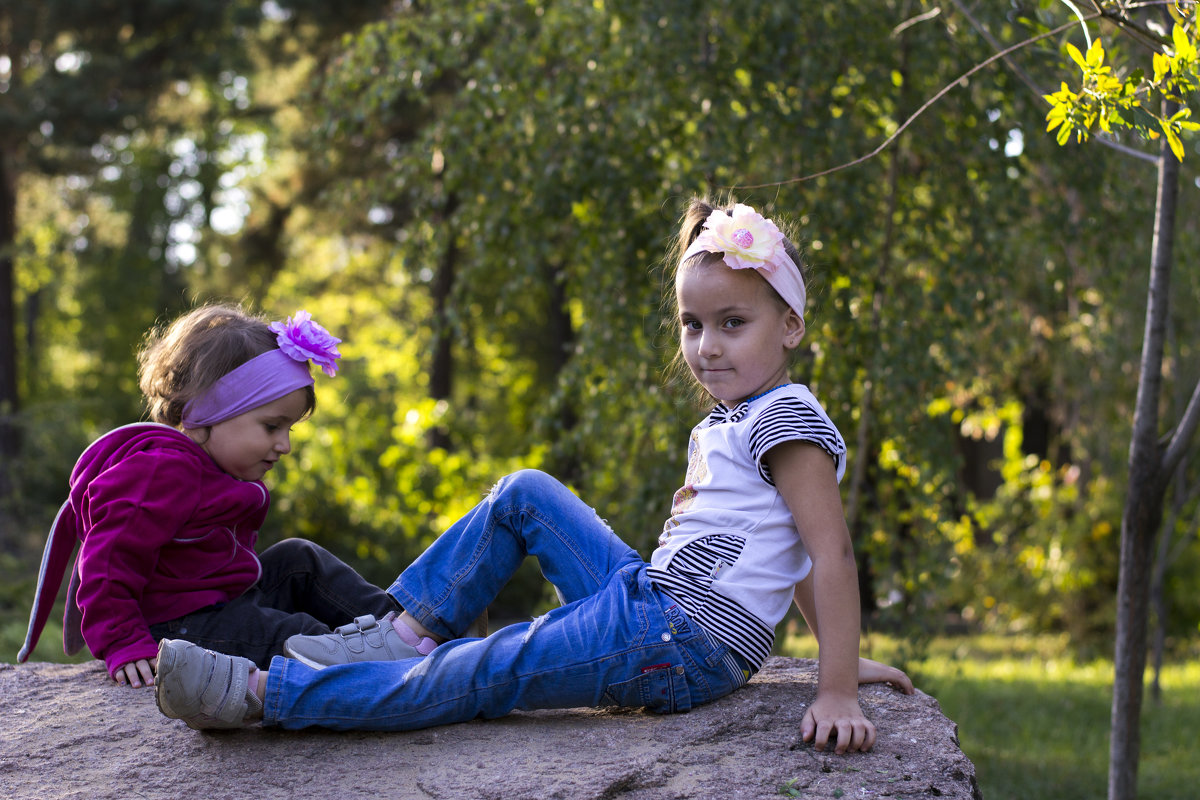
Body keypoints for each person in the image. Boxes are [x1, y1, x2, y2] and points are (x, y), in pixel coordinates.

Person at [154, 199, 913, 754]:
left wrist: (837, 685)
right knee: (525, 494)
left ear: (790, 326)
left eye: (732, 323)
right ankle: (398, 635)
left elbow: (829, 552)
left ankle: (261, 696)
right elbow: (789, 551)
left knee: (483, 670)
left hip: (678, 644)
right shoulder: (736, 417)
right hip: (651, 606)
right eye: (691, 323)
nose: (707, 346)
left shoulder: (785, 420)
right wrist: (829, 657)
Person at [18, 303, 400, 688]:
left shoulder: (211, 466)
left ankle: (405, 631)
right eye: (271, 426)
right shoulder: (162, 470)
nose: (283, 445)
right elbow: (107, 560)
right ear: (214, 411)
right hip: (177, 630)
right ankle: (373, 666)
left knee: (298, 559)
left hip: (221, 603)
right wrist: (123, 641)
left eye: (289, 430)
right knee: (301, 633)